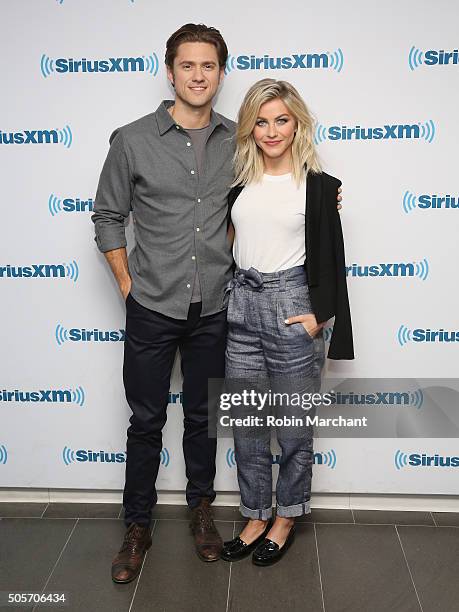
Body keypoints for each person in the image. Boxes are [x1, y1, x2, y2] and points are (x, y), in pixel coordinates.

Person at [92, 24, 343, 583]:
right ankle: (137, 526)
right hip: (153, 307)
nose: (198, 76)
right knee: (145, 421)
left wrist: (328, 197)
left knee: (207, 420)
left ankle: (203, 514)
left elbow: (286, 192)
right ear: (171, 70)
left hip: (218, 310)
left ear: (221, 74)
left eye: (209, 66)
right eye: (188, 66)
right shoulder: (131, 140)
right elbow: (108, 216)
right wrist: (129, 287)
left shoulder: (241, 141)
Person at [220, 78, 354, 566]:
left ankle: (287, 516)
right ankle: (256, 514)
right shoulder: (238, 182)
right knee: (248, 426)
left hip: (291, 302)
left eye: (281, 119)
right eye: (261, 120)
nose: (271, 130)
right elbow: (229, 241)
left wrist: (321, 315)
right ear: (250, 127)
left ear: (297, 123)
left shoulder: (319, 187)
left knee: (294, 428)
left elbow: (331, 255)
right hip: (242, 305)